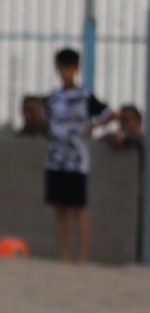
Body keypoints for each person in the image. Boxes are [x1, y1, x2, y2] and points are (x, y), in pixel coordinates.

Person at [43, 47, 113, 264]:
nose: (66, 72)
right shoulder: (53, 98)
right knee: (60, 208)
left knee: (78, 209)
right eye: (62, 68)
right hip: (56, 158)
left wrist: (90, 127)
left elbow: (110, 114)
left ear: (77, 69)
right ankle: (64, 253)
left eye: (70, 68)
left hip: (77, 159)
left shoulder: (85, 96)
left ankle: (83, 255)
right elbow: (46, 120)